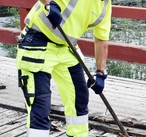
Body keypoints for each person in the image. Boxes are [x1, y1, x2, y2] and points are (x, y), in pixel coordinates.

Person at [16, 0, 111, 136]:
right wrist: (49, 3)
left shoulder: (105, 5)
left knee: (79, 98)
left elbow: (102, 39)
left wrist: (100, 72)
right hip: (37, 41)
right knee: (40, 105)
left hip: (67, 47)